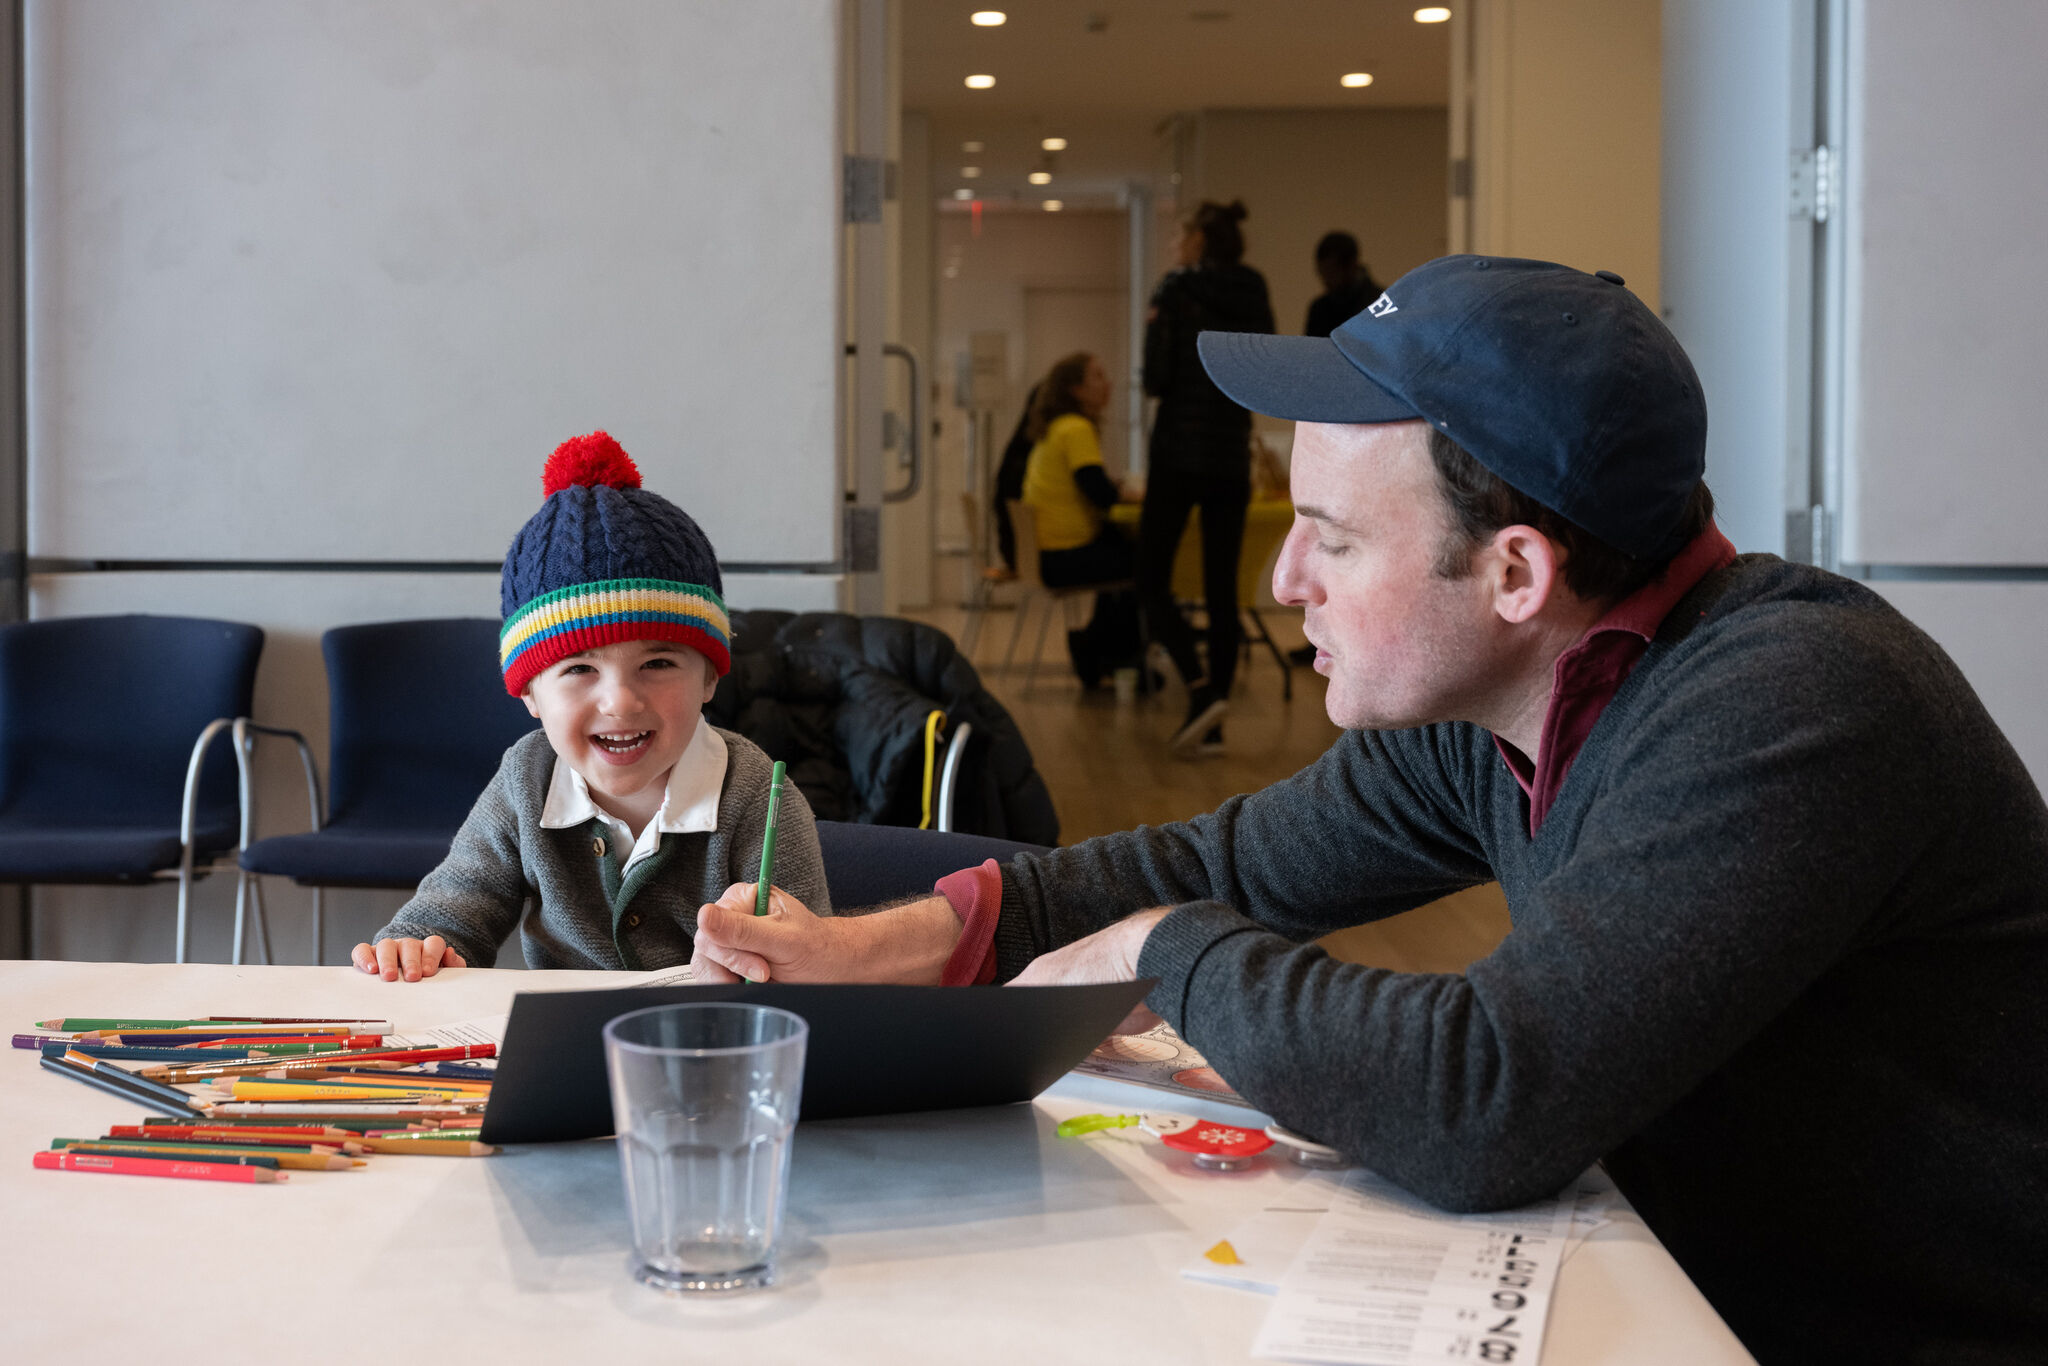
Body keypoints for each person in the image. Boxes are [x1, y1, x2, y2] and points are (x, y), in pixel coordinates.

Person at [690, 256, 2048, 1364]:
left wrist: (1169, 951)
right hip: (1681, 1296)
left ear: (1514, 570)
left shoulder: (1796, 703)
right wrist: (906, 936)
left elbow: (1486, 1096)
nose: (1285, 579)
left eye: (1333, 537)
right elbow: (1221, 857)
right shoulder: (1516, 702)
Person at [351, 430, 829, 981]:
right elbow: (451, 913)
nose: (621, 701)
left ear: (710, 677)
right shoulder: (525, 781)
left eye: (658, 664)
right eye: (579, 669)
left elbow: (810, 973)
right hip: (558, 1046)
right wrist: (416, 947)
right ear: (529, 692)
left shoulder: (759, 798)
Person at [1141, 199, 1274, 755]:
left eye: (1181, 233)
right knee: (1222, 589)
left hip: (1177, 451)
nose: (1175, 242)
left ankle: (1198, 689)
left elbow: (1154, 377)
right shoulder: (1253, 288)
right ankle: (1213, 725)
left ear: (1199, 239)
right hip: (1228, 456)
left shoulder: (1174, 290)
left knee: (1150, 579)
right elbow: (1261, 363)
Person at [1019, 352, 1141, 687]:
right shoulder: (1076, 428)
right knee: (1146, 565)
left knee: (1124, 553)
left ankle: (1097, 647)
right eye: (1097, 376)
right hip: (1064, 556)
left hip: (1048, 554)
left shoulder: (1056, 428)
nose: (1108, 384)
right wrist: (1133, 493)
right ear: (1075, 389)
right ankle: (1120, 659)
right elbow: (1098, 491)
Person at [1302, 229, 1384, 338]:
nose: (1325, 280)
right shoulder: (1319, 309)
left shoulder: (1379, 303)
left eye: (1331, 273)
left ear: (1350, 266)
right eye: (1322, 273)